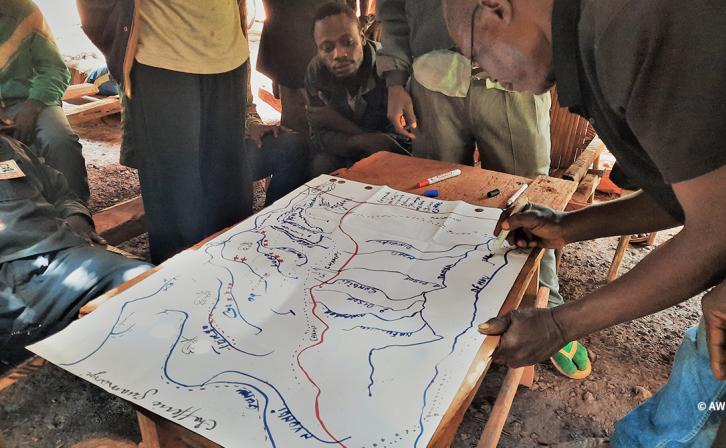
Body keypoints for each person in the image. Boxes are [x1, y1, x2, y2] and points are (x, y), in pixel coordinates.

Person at [442, 0, 726, 445]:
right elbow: (683, 197)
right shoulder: (598, 38)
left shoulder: (630, 26)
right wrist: (570, 226)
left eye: (476, 59)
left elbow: (715, 229)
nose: (486, 77)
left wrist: (560, 325)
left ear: (495, 8)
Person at [376, 0, 579, 378]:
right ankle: (433, 310)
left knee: (531, 201)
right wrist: (394, 79)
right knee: (437, 202)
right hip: (433, 80)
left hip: (516, 74)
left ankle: (545, 308)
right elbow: (393, 9)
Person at [76, 1, 253, 264]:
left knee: (229, 188)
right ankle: (177, 287)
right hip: (162, 58)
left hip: (229, 55)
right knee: (177, 198)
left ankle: (231, 276)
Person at [0, 134, 151, 353]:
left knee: (144, 282)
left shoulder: (8, 147)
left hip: (56, 255)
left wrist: (77, 216)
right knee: (23, 341)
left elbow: (61, 193)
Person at [305, 3, 411, 175]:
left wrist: (340, 124)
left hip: (390, 161)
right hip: (344, 153)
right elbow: (318, 137)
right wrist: (359, 141)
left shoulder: (392, 71)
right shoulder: (316, 72)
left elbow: (402, 145)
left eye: (348, 42)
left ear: (362, 37)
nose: (339, 54)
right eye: (327, 47)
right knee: (321, 164)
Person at [0, 0, 89, 203]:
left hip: (32, 100)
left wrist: (34, 104)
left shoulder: (25, 11)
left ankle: (77, 214)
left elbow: (54, 68)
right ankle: (18, 215)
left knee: (60, 141)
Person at [257, 0, 366, 134]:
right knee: (297, 104)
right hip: (285, 22)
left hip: (317, 16)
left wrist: (364, 16)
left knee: (328, 101)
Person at [244, 66, 310, 205]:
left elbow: (247, 107)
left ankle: (272, 216)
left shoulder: (235, 54)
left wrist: (252, 124)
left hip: (237, 146)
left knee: (294, 145)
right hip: (199, 156)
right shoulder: (187, 62)